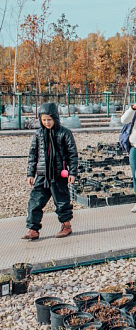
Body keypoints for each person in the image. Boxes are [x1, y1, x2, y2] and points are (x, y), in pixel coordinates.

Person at [22, 103, 78, 240]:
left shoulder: (65, 133)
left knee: (62, 201)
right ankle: (33, 229)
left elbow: (72, 154)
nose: (47, 122)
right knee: (35, 201)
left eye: (50, 119)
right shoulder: (38, 134)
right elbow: (32, 155)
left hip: (59, 174)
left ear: (56, 118)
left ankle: (66, 226)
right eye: (44, 119)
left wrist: (72, 173)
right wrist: (30, 173)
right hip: (42, 174)